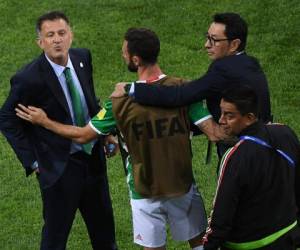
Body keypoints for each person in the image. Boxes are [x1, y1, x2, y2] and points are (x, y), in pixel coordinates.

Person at [15, 27, 218, 250]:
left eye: (124, 52)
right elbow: (214, 133)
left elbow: (83, 136)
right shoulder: (184, 90)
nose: (122, 55)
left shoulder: (119, 103)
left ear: (136, 59)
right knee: (199, 245)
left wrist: (45, 121)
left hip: (144, 192)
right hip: (182, 186)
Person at [0, 11, 117, 250]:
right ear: (40, 42)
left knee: (105, 237)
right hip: (59, 169)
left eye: (61, 33)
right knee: (55, 239)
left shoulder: (83, 57)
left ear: (71, 36)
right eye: (50, 35)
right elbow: (6, 118)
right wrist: (33, 162)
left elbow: (89, 100)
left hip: (93, 160)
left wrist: (104, 134)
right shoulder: (28, 78)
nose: (57, 40)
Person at [111, 12, 272, 157]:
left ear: (234, 44)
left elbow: (180, 95)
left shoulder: (223, 68)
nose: (206, 45)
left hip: (241, 149)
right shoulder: (250, 63)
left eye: (213, 40)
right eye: (207, 37)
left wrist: (132, 89)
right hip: (264, 140)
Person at [202, 86, 300, 250]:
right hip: (288, 237)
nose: (221, 120)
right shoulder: (285, 132)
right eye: (221, 112)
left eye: (229, 115)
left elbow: (222, 215)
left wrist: (209, 246)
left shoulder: (234, 156)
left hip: (248, 244)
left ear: (249, 117)